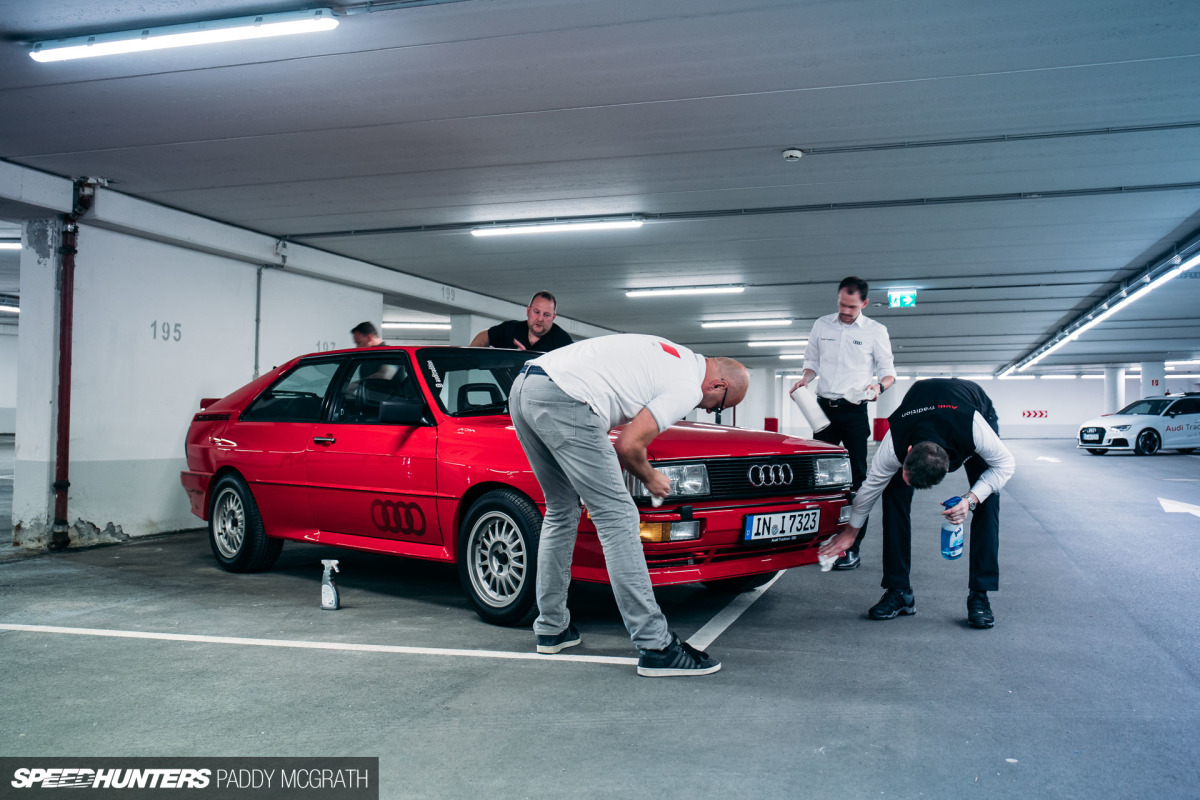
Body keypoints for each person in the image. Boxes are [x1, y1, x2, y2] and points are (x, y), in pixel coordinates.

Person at [508, 334, 749, 676]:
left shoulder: (675, 353)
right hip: (566, 398)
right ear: (718, 384)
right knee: (619, 518)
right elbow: (629, 445)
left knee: (561, 510)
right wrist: (651, 478)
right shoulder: (688, 385)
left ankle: (552, 628)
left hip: (525, 386)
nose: (710, 410)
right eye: (720, 405)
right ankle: (657, 646)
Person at [819, 378, 1015, 629]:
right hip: (919, 401)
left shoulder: (975, 430)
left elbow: (1006, 466)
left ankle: (980, 595)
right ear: (908, 451)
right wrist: (851, 532)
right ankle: (899, 591)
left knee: (988, 497)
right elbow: (869, 490)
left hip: (971, 405)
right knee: (893, 495)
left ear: (948, 466)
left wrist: (970, 499)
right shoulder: (894, 442)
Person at [791, 276, 895, 571]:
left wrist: (879, 388)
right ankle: (819, 541)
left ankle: (851, 547)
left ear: (863, 303)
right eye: (841, 304)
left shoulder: (876, 331)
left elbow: (889, 373)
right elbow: (811, 361)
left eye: (851, 306)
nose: (845, 311)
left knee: (857, 481)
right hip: (822, 411)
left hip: (854, 412)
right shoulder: (822, 325)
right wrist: (805, 379)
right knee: (818, 477)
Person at [470, 291, 574, 352]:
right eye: (536, 312)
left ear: (553, 317)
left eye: (546, 315)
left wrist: (522, 358)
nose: (540, 319)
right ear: (528, 311)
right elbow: (485, 335)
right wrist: (472, 358)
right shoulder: (511, 330)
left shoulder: (563, 342)